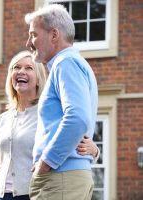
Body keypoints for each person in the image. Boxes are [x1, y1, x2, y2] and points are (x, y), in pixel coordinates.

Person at [0, 51, 99, 200]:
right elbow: (3, 161)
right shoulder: (3, 119)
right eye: (16, 68)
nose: (21, 72)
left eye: (29, 68)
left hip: (32, 193)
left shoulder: (47, 114)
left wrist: (95, 151)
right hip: (1, 195)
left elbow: (70, 135)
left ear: (38, 79)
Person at [25, 4, 99, 200]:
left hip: (61, 177)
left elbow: (77, 118)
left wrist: (45, 163)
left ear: (54, 35)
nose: (28, 42)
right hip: (65, 176)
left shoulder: (65, 63)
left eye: (33, 34)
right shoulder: (71, 63)